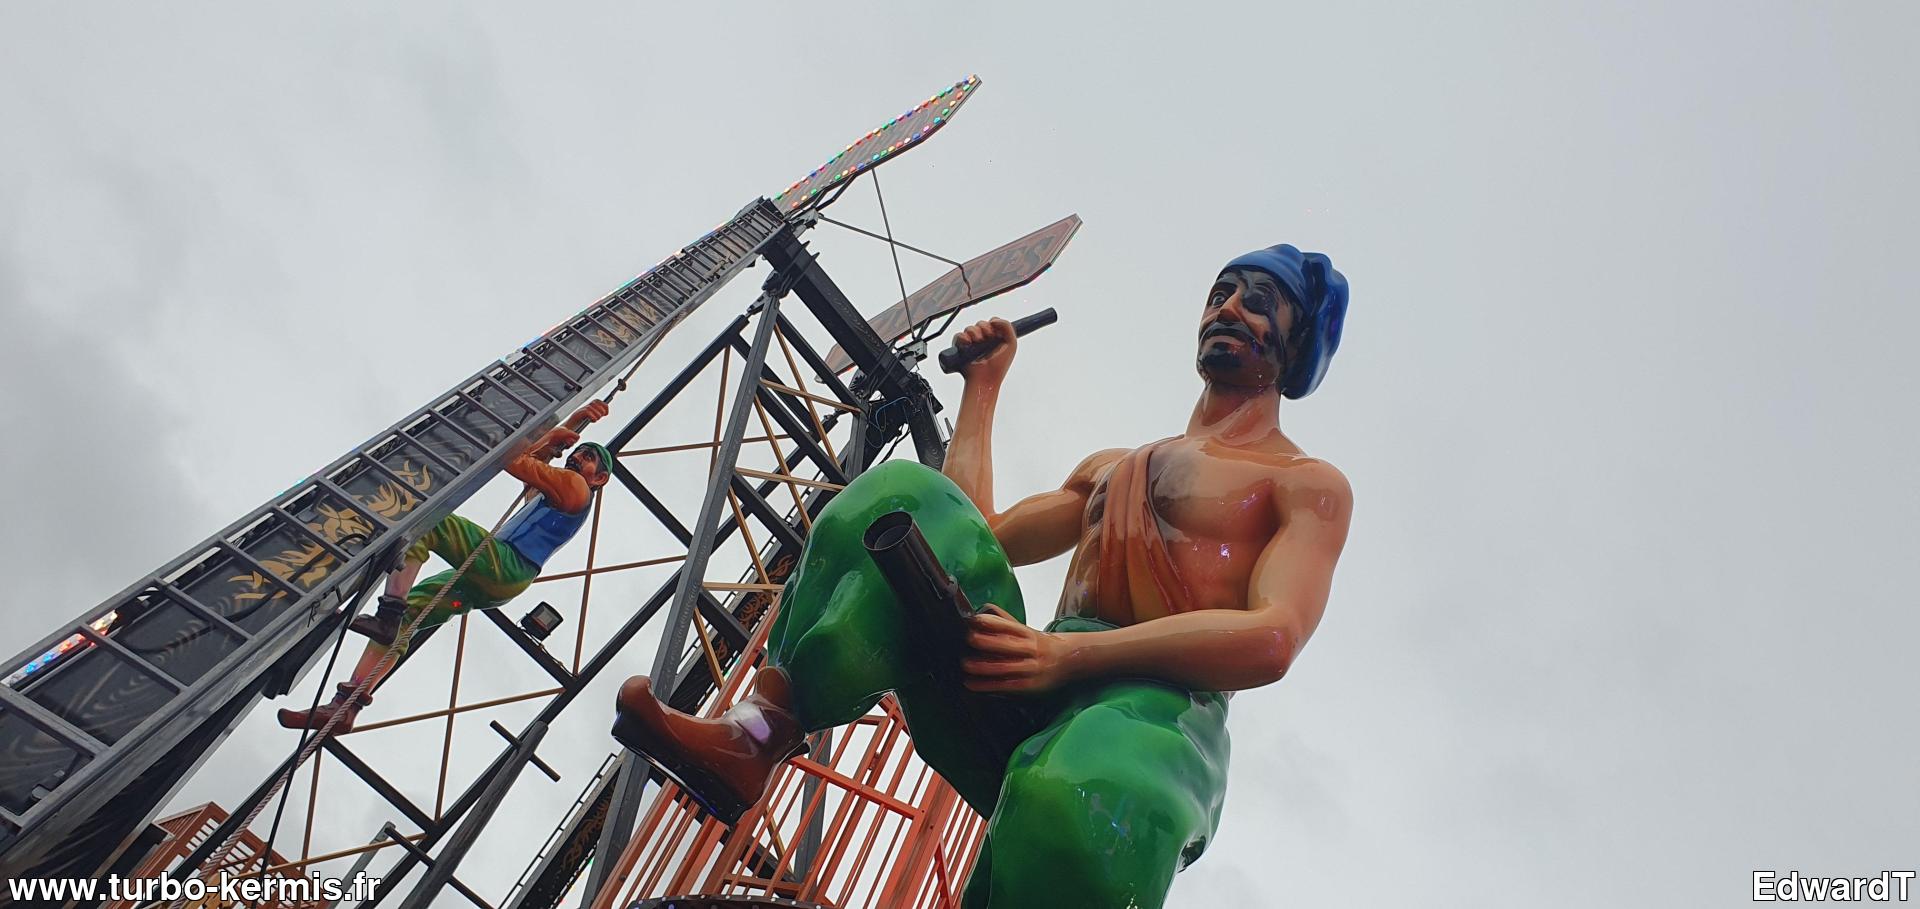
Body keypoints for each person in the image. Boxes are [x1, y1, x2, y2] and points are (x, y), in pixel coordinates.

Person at [614, 245, 1352, 908]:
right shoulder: (1113, 468)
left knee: (1081, 792)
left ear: (1294, 344)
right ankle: (758, 730)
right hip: (1035, 676)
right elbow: (968, 529)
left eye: (1258, 299)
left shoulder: (1303, 483)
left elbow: (1273, 636)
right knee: (905, 494)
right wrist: (983, 386)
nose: (1229, 308)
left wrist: (1072, 656)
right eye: (1221, 292)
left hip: (1155, 715)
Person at [278, 400, 612, 735]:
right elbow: (536, 460)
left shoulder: (575, 488)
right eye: (578, 452)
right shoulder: (554, 492)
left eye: (587, 457)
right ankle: (346, 704)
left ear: (599, 478)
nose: (577, 458)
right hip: (500, 580)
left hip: (506, 563)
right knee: (411, 618)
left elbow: (512, 457)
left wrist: (552, 434)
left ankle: (389, 611)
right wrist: (572, 423)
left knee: (429, 522)